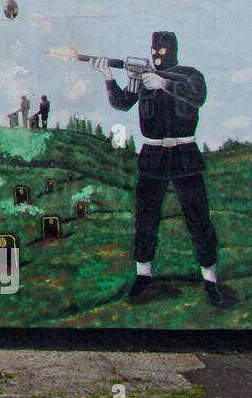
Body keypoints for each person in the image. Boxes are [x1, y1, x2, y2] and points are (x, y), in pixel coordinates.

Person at [89, 30, 221, 306]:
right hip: (152, 155)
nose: (157, 57)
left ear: (172, 51)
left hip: (185, 154)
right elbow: (123, 103)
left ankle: (210, 278)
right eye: (153, 53)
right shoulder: (142, 77)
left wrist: (164, 84)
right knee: (146, 218)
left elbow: (199, 96)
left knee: (198, 218)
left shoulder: (190, 74)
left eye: (161, 53)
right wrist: (108, 77)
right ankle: (143, 274)